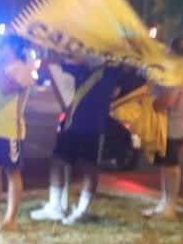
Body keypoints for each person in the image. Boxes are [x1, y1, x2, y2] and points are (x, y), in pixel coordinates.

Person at [31, 55, 126, 225]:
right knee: (57, 161)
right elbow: (56, 64)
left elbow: (118, 89)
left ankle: (82, 211)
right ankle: (55, 207)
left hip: (94, 128)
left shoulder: (112, 71)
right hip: (72, 125)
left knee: (90, 168)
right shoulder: (82, 68)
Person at [0, 35, 34, 230]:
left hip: (12, 130)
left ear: (14, 49)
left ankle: (10, 219)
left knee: (12, 172)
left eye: (4, 47)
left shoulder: (23, 70)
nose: (1, 50)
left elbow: (5, 88)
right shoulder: (2, 67)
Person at [144, 36, 183, 221]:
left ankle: (170, 207)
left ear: (172, 50)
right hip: (182, 124)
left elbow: (168, 101)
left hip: (169, 124)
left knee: (170, 167)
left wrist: (148, 105)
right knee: (167, 166)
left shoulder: (175, 71)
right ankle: (164, 203)